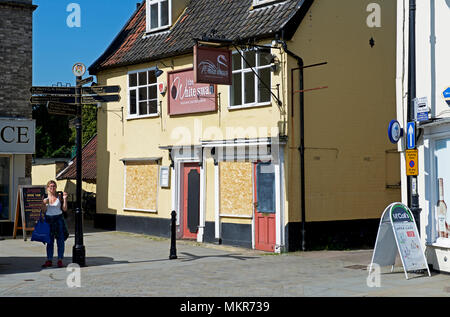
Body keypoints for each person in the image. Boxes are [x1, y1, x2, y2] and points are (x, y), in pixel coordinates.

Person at [41, 180, 69, 268]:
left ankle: (60, 260)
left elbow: (64, 209)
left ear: (56, 187)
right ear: (47, 188)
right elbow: (43, 211)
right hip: (49, 219)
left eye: (54, 186)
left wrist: (65, 199)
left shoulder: (59, 196)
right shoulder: (45, 198)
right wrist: (43, 203)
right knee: (50, 241)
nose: (52, 188)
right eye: (50, 186)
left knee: (60, 241)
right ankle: (49, 260)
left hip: (58, 219)